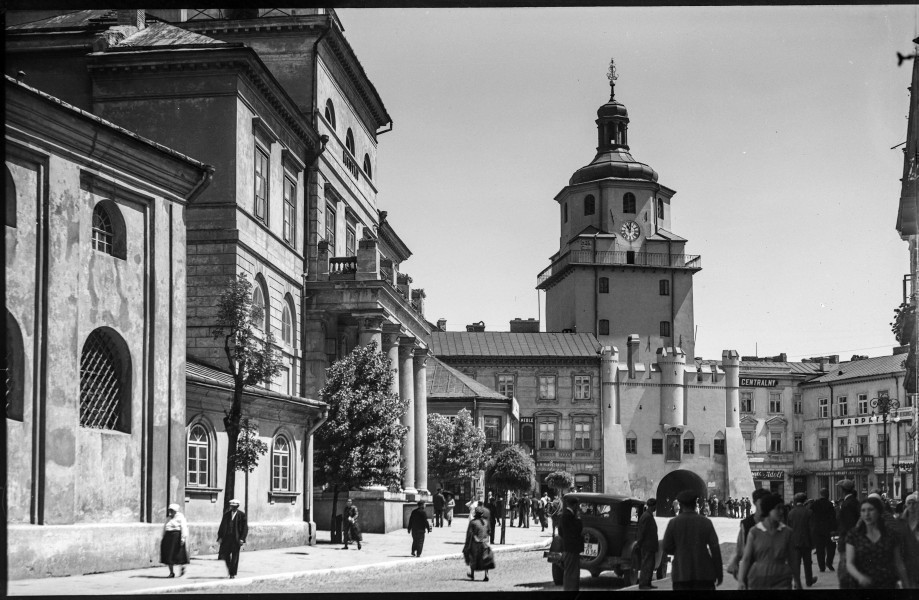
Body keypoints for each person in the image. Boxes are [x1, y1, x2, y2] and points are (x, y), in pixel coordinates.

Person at [661, 490, 723, 591]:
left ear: (680, 505)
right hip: (704, 574)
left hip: (681, 573)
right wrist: (719, 573)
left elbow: (666, 547)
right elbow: (715, 549)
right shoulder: (706, 522)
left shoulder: (673, 523)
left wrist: (680, 550)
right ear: (695, 504)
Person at [737, 493, 800, 590]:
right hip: (758, 579)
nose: (781, 511)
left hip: (782, 578)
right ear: (768, 510)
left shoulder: (787, 532)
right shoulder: (754, 532)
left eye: (782, 508)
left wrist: (797, 582)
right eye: (778, 508)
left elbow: (793, 560)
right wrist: (741, 580)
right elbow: (746, 558)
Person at [845, 496, 910, 589]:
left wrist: (906, 584)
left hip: (887, 584)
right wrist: (860, 577)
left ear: (879, 512)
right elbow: (849, 563)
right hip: (862, 584)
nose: (866, 514)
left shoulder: (891, 535)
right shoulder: (853, 535)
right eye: (863, 510)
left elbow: (898, 562)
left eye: (870, 510)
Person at [726, 487, 771, 579]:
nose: (765, 504)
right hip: (751, 573)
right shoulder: (746, 524)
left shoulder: (774, 522)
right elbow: (740, 549)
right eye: (762, 501)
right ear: (755, 502)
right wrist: (735, 563)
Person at [786, 492, 818, 587]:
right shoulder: (809, 512)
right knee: (807, 563)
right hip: (806, 541)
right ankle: (809, 580)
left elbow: (788, 528)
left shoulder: (791, 513)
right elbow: (812, 528)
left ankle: (797, 582)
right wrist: (813, 543)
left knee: (796, 563)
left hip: (794, 542)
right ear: (805, 501)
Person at [835, 479, 860, 588]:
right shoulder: (854, 501)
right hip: (852, 539)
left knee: (844, 569)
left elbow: (848, 525)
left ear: (843, 490)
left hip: (846, 541)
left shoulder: (847, 504)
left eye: (840, 488)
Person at [217, 499, 248, 579]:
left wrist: (242, 539)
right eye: (232, 506)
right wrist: (220, 537)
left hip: (236, 539)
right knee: (226, 555)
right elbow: (222, 526)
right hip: (227, 538)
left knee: (235, 556)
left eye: (234, 506)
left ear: (237, 506)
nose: (233, 508)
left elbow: (245, 528)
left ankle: (232, 573)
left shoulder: (242, 515)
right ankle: (231, 569)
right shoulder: (226, 515)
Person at [558, 495, 583, 591]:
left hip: (569, 546)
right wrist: (579, 519)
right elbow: (577, 529)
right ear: (574, 505)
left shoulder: (565, 514)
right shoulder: (570, 516)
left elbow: (560, 531)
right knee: (572, 571)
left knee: (571, 570)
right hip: (572, 547)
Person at [463, 506, 495, 581]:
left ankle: (472, 574)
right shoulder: (486, 522)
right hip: (485, 543)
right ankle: (486, 575)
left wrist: (467, 544)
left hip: (475, 543)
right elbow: (489, 532)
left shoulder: (472, 522)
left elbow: (469, 533)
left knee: (473, 557)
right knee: (486, 559)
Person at [810, 487, 838, 572]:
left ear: (820, 494)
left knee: (820, 549)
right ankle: (829, 563)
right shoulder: (830, 504)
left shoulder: (815, 504)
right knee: (831, 547)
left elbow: (811, 516)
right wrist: (834, 528)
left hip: (818, 530)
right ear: (827, 494)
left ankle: (821, 566)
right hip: (829, 530)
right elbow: (833, 517)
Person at [161, 503, 189, 578]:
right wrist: (163, 537)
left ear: (176, 511)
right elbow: (165, 528)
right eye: (170, 510)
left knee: (179, 554)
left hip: (177, 537)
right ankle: (171, 572)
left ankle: (182, 567)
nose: (170, 512)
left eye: (172, 510)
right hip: (168, 537)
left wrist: (183, 538)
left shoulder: (180, 517)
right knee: (169, 555)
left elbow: (184, 527)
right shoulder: (168, 518)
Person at [636, 498, 659, 589]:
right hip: (647, 545)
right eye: (655, 506)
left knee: (650, 565)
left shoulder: (648, 516)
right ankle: (643, 584)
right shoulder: (647, 517)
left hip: (650, 545)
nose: (656, 508)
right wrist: (640, 543)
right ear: (652, 506)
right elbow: (642, 532)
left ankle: (648, 583)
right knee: (646, 565)